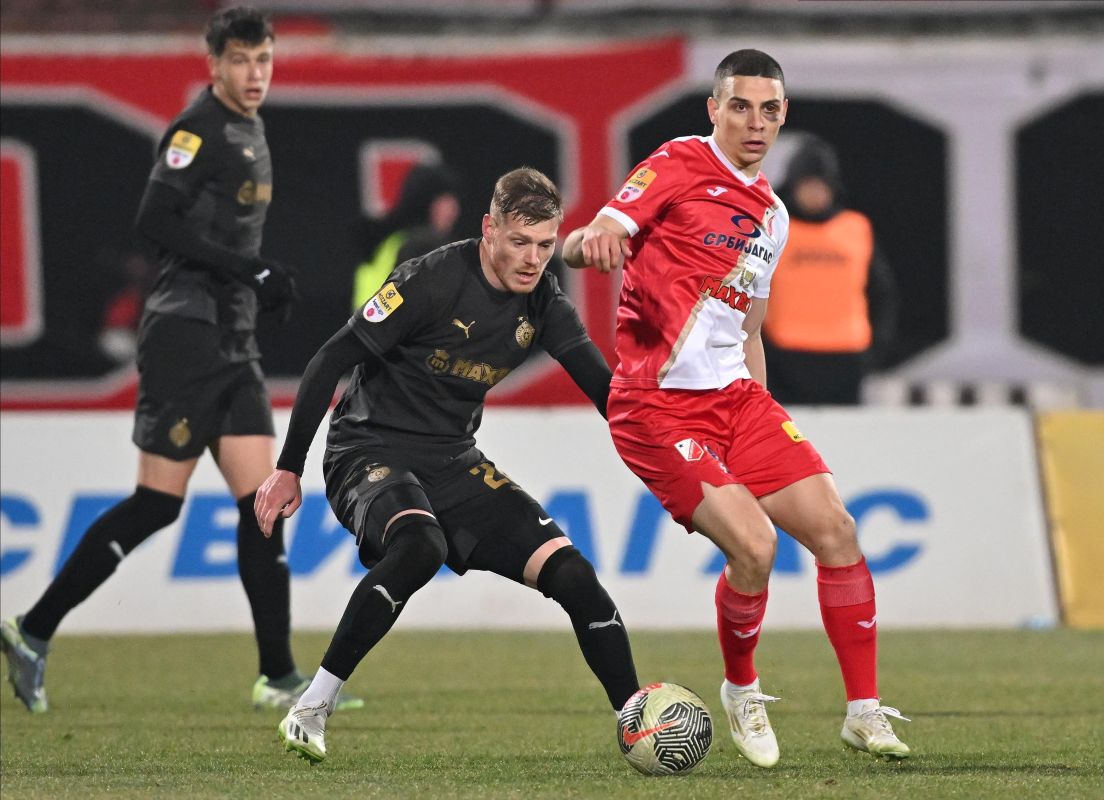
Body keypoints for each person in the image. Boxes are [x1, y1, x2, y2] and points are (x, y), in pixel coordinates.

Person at [0, 6, 360, 715]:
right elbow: (154, 221)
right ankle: (32, 630)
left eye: (264, 59)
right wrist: (247, 269)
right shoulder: (198, 130)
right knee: (156, 506)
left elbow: (217, 236)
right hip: (185, 334)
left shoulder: (249, 129)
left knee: (264, 507)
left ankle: (278, 675)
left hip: (232, 338)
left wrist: (257, 278)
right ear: (214, 64)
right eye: (241, 60)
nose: (255, 73)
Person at [562, 49, 911, 766]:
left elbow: (748, 327)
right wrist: (590, 239)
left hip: (738, 398)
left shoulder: (773, 217)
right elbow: (601, 230)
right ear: (714, 109)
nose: (756, 122)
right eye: (742, 106)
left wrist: (763, 408)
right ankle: (741, 689)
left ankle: (863, 712)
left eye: (771, 109)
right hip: (655, 405)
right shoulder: (677, 162)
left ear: (784, 115)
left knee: (837, 531)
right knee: (755, 548)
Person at [255, 167, 641, 764]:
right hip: (367, 448)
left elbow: (605, 391)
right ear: (489, 230)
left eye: (545, 245)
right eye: (519, 241)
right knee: (420, 547)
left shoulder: (543, 300)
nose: (533, 258)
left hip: (453, 462)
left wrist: (679, 448)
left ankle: (640, 723)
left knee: (575, 578)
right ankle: (310, 709)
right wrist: (288, 467)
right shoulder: (430, 280)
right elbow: (330, 358)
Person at [761, 133, 899, 405]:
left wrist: (875, 351)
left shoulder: (855, 228)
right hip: (785, 361)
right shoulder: (774, 229)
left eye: (820, 186)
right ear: (793, 186)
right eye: (807, 185)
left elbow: (882, 293)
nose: (814, 194)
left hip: (846, 361)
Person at [352, 163, 462, 309]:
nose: (454, 210)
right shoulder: (422, 246)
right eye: (445, 201)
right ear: (426, 202)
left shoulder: (389, 242)